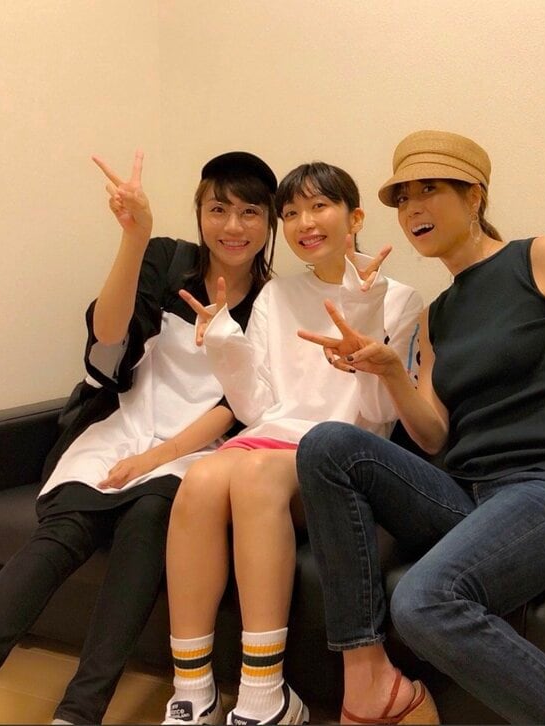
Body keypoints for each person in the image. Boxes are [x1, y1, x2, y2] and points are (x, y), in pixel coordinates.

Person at [295, 129, 545, 724]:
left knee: (424, 602)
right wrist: (390, 370)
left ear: (475, 196)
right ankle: (368, 673)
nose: (412, 209)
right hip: (469, 497)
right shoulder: (437, 314)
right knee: (327, 445)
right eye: (403, 198)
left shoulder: (540, 259)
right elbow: (434, 435)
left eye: (429, 190)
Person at [0, 149, 278, 725]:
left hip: (195, 452)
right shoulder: (166, 260)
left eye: (250, 212)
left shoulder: (273, 303)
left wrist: (157, 457)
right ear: (199, 213)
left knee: (149, 520)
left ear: (269, 223)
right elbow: (110, 338)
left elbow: (237, 406)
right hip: (122, 428)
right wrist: (134, 238)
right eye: (218, 209)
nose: (233, 226)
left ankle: (79, 712)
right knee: (61, 531)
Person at [162, 161, 423, 725]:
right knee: (200, 477)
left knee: (253, 476)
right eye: (292, 212)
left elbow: (380, 414)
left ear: (355, 218)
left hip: (341, 458)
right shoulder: (277, 294)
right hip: (271, 443)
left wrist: (364, 312)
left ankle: (266, 694)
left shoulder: (400, 300)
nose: (305, 222)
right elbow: (257, 410)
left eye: (319, 206)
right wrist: (225, 345)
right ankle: (192, 691)